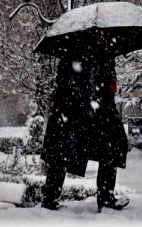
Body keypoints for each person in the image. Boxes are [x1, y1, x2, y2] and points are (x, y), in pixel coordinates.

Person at [40, 49, 130, 212]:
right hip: (73, 112)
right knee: (61, 151)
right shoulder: (74, 52)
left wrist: (107, 88)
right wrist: (88, 98)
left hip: (97, 111)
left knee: (112, 146)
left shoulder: (105, 53)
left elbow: (106, 83)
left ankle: (106, 197)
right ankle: (50, 198)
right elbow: (67, 82)